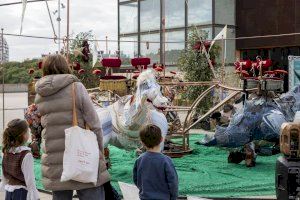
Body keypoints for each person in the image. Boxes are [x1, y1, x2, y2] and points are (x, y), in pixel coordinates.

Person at [34, 54, 109, 200]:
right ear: (65, 67)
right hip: (82, 154)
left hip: (55, 158)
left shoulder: (40, 94)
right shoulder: (76, 87)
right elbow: (94, 124)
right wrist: (99, 149)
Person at [133, 124, 178, 200]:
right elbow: (173, 183)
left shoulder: (140, 160)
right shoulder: (166, 161)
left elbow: (136, 179)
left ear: (142, 142)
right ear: (161, 139)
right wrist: (173, 197)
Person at [0, 119, 39, 200]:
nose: (29, 133)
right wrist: (35, 197)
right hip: (21, 193)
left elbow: (4, 175)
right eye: (28, 131)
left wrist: (4, 183)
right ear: (23, 135)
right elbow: (30, 181)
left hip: (9, 192)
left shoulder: (6, 151)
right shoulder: (26, 154)